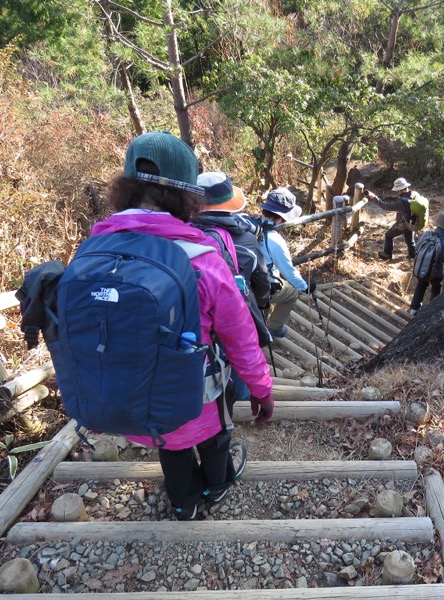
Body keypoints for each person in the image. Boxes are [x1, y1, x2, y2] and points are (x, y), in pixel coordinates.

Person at [91, 132, 274, 520]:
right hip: (195, 395)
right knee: (213, 436)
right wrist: (261, 390)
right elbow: (240, 338)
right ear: (188, 196)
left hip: (131, 398)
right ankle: (216, 487)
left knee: (169, 446)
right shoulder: (202, 260)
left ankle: (183, 503)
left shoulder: (94, 250)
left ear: (124, 188)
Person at [194, 171, 273, 407]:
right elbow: (262, 279)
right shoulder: (246, 239)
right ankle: (241, 394)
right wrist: (262, 304)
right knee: (238, 345)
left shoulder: (184, 232)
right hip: (235, 307)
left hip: (197, 312)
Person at [257, 187, 314, 338]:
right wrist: (305, 286)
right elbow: (288, 271)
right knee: (291, 293)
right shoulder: (274, 240)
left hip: (244, 283)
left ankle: (260, 322)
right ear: (282, 217)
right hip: (261, 286)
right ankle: (274, 328)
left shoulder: (250, 226)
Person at [366, 176, 417, 260]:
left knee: (388, 235)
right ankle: (413, 256)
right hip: (413, 222)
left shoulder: (402, 202)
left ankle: (387, 254)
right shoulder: (414, 194)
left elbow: (385, 206)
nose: (396, 192)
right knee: (409, 239)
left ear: (401, 189)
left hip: (404, 223)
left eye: (397, 190)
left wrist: (375, 198)